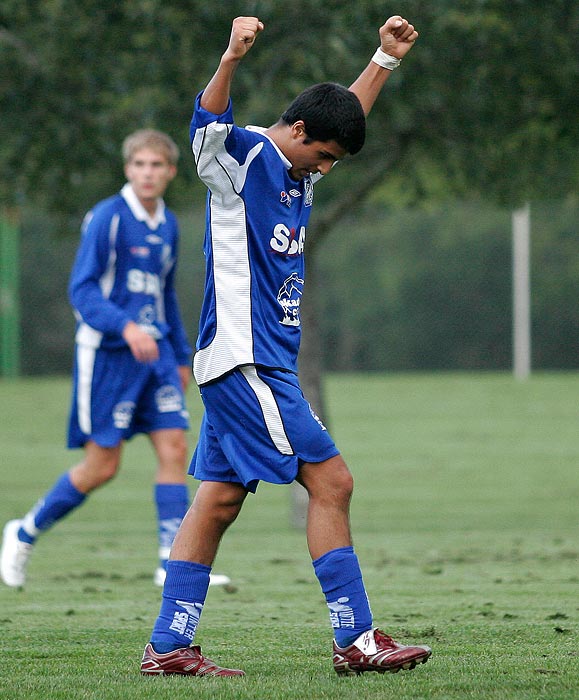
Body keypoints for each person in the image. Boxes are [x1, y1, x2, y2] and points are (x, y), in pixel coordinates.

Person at [140, 16, 431, 678]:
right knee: (332, 480)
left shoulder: (298, 171)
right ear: (297, 132)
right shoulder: (240, 161)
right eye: (322, 155)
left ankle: (168, 646)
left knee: (216, 500)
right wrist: (230, 57)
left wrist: (381, 61)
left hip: (257, 364)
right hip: (245, 362)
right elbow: (205, 122)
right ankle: (355, 640)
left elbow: (340, 117)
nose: (323, 169)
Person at [1, 130, 228, 590]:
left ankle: (171, 561)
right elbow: (82, 290)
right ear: (128, 169)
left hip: (157, 357)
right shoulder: (107, 217)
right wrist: (125, 327)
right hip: (108, 357)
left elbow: (163, 294)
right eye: (140, 164)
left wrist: (180, 355)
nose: (148, 173)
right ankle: (23, 533)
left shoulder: (168, 223)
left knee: (174, 449)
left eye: (157, 165)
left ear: (170, 172)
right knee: (102, 467)